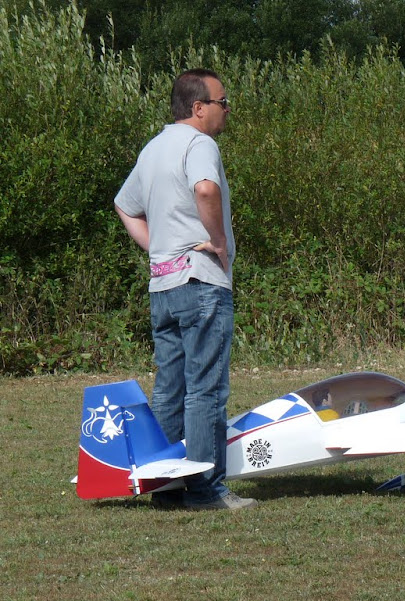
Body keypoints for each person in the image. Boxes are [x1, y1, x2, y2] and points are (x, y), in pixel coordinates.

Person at [114, 68, 257, 510]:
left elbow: (125, 205)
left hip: (163, 285)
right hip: (201, 281)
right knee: (206, 389)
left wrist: (157, 248)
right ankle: (205, 488)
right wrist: (218, 242)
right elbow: (206, 189)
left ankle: (166, 486)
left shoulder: (153, 148)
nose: (227, 109)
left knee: (170, 387)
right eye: (222, 101)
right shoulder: (200, 144)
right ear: (198, 108)